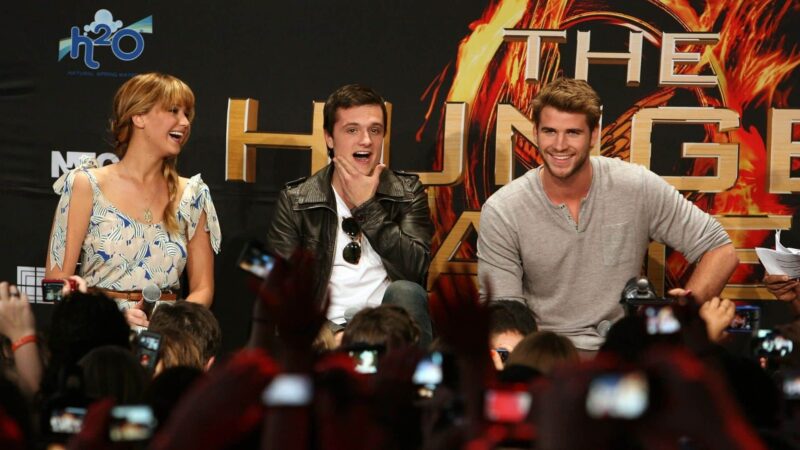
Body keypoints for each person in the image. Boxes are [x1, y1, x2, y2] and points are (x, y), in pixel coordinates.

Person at [477, 78, 738, 352]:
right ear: (535, 132)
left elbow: (721, 251)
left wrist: (684, 314)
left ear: (594, 135)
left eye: (573, 133)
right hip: (548, 356)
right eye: (550, 131)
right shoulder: (503, 209)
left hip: (626, 350)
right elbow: (502, 311)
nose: (560, 145)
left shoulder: (635, 185)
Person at [45, 72, 221, 328]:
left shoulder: (193, 195)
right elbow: (53, 286)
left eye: (187, 114)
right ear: (138, 117)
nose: (184, 122)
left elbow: (203, 289)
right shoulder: (86, 185)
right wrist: (111, 320)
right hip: (100, 339)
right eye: (173, 110)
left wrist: (169, 326)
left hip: (167, 343)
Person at [266, 84, 433, 347]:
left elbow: (415, 268)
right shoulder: (297, 199)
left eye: (375, 130)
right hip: (323, 333)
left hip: (391, 330)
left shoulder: (407, 191)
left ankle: (414, 385)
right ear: (329, 138)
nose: (366, 140)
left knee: (407, 291)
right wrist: (334, 336)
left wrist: (366, 207)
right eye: (352, 130)